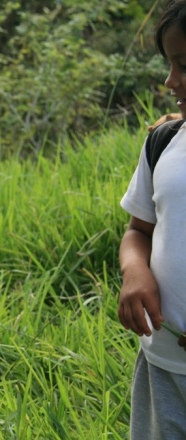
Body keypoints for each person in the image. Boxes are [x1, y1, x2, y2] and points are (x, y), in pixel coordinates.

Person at [118, 1, 186, 438]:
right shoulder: (163, 142)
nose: (170, 80)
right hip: (165, 361)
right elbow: (138, 230)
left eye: (183, 64)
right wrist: (135, 271)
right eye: (169, 63)